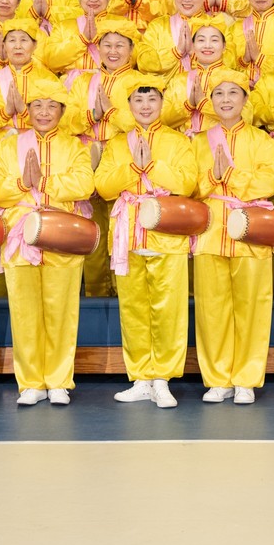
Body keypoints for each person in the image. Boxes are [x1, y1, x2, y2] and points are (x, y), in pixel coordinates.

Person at [0, 82, 94, 406]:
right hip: (20, 236)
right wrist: (23, 184)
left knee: (62, 311)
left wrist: (44, 182)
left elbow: (85, 184)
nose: (44, 112)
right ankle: (31, 382)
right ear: (28, 110)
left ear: (62, 111)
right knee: (24, 312)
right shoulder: (9, 146)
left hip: (62, 235)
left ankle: (59, 381)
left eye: (51, 106)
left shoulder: (74, 146)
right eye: (37, 105)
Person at [96, 76, 198, 408]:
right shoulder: (116, 144)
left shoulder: (178, 141)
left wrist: (151, 166)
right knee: (134, 309)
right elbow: (104, 187)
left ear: (162, 104)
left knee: (168, 310)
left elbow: (187, 183)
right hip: (127, 237)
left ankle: (162, 379)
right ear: (129, 106)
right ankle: (140, 377)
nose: (145, 106)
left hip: (166, 235)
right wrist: (132, 168)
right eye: (138, 101)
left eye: (152, 100)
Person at [191, 68, 274, 403]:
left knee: (252, 307)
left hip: (251, 231)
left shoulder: (262, 140)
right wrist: (210, 179)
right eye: (219, 94)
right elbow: (189, 185)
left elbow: (268, 182)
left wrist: (228, 176)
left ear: (245, 100)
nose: (226, 99)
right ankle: (218, 379)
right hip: (210, 231)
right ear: (210, 101)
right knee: (211, 308)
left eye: (233, 93)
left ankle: (246, 378)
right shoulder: (198, 142)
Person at [61, 17, 142, 297]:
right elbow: (66, 120)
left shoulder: (138, 82)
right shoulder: (83, 81)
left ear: (131, 49)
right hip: (87, 156)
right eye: (107, 45)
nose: (113, 51)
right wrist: (93, 114)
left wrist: (111, 113)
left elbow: (142, 121)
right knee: (91, 226)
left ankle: (123, 290)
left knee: (122, 226)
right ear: (98, 48)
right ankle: (95, 292)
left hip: (124, 158)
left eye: (120, 45)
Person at [0, 18, 68, 165]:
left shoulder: (49, 80)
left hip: (40, 150)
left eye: (24, 40)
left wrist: (24, 111)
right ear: (3, 46)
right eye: (12, 40)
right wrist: (5, 112)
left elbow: (61, 122)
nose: (18, 46)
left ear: (35, 45)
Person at [137, 0, 216, 77]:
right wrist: (177, 52)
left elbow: (227, 62)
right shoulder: (158, 26)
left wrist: (193, 52)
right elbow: (143, 62)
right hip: (164, 87)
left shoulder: (215, 25)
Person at [42, 0, 114, 75]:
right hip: (71, 83)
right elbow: (51, 62)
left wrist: (98, 41)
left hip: (110, 82)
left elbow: (131, 58)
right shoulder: (63, 26)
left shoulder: (121, 24)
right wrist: (82, 40)